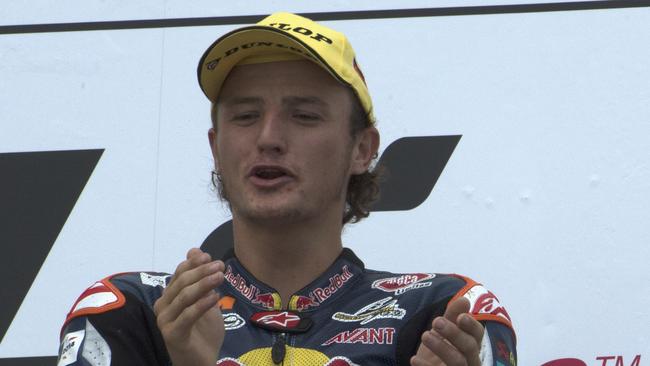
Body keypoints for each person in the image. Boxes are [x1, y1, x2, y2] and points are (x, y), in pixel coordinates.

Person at [57, 12, 516, 366]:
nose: (269, 137)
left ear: (363, 149)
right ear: (216, 148)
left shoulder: (445, 311)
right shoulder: (129, 307)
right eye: (245, 115)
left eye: (304, 115)